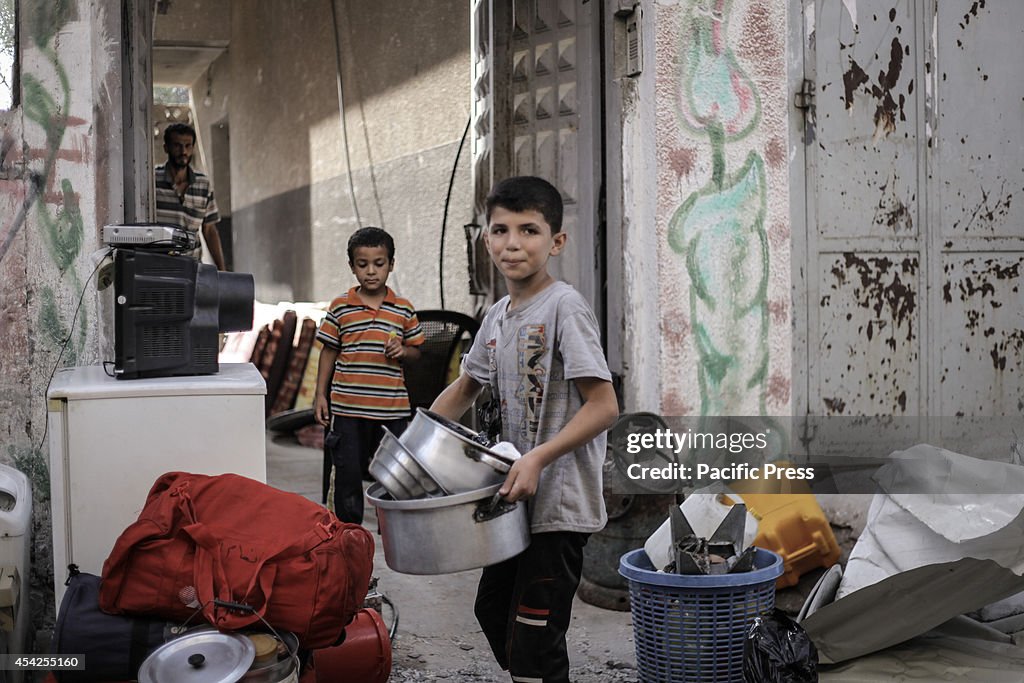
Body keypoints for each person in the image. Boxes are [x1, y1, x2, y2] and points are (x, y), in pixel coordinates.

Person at [430, 176, 619, 682]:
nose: (512, 243)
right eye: (500, 230)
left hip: (558, 506)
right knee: (494, 613)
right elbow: (466, 386)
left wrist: (537, 458)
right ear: (486, 238)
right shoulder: (497, 315)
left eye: (529, 230)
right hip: (509, 505)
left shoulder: (565, 308)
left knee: (536, 636)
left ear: (556, 241)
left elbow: (603, 406)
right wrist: (415, 446)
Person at [314, 226, 424, 524]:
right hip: (347, 409)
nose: (371, 272)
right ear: (352, 267)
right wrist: (320, 395)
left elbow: (416, 353)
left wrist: (403, 350)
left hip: (392, 410)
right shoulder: (340, 307)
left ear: (391, 264)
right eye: (363, 265)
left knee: (395, 475)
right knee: (347, 474)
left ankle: (396, 529)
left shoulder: (403, 309)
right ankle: (348, 535)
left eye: (379, 264)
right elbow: (329, 351)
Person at [155, 122, 227, 270]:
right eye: (177, 145)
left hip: (192, 269)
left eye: (188, 146)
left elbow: (209, 230)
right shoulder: (152, 180)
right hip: (158, 267)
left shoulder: (203, 184)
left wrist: (222, 270)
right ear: (166, 148)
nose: (183, 151)